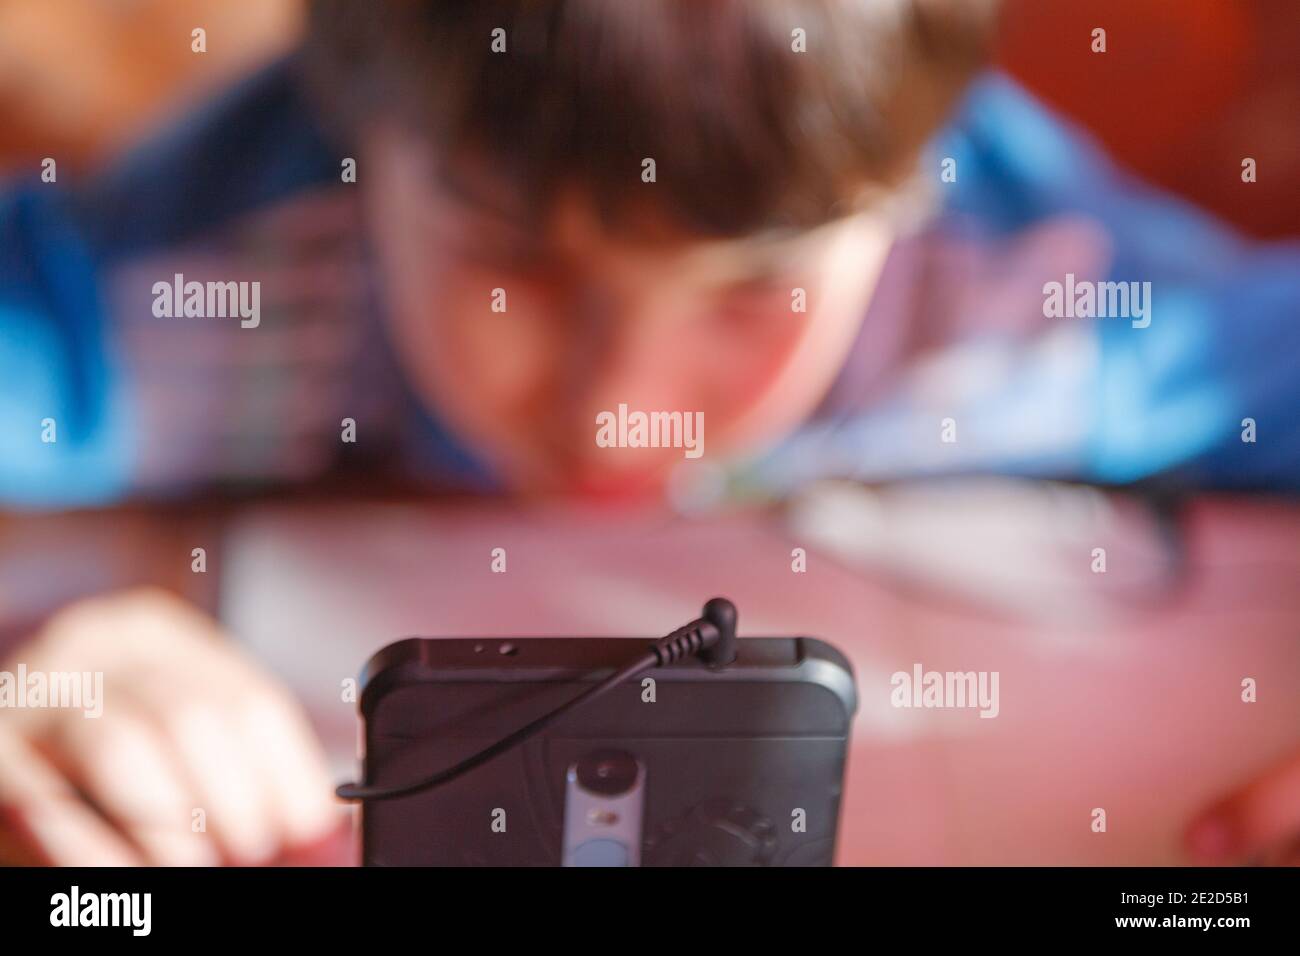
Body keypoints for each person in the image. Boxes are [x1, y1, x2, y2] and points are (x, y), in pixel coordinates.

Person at [0, 1, 1296, 865]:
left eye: (750, 287)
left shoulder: (1048, 304)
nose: (621, 406)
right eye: (518, 267)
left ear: (908, 197)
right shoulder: (158, 295)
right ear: (351, 134)